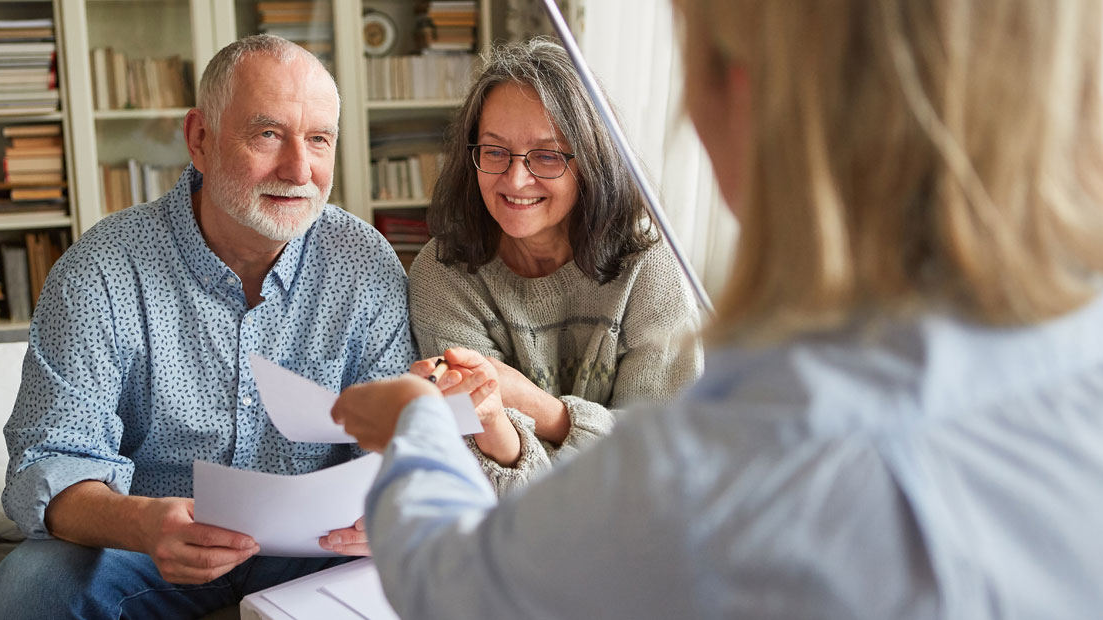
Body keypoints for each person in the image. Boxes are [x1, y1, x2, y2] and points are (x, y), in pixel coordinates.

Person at [331, 0, 1103, 618]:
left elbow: (451, 586)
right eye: (494, 151)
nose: (515, 177)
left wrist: (417, 428)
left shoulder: (721, 469)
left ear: (743, 90)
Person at [0, 35, 414, 619]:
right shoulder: (100, 269)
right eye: (267, 134)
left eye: (318, 140)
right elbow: (51, 459)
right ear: (200, 140)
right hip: (149, 543)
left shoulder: (364, 260)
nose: (298, 169)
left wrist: (389, 503)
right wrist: (139, 523)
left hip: (321, 545)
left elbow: (397, 435)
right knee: (29, 590)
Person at [408, 38, 703, 494]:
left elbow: (667, 456)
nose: (515, 179)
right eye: (494, 151)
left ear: (590, 162)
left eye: (547, 156)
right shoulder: (443, 272)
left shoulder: (648, 264)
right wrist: (491, 418)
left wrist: (539, 408)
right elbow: (487, 483)